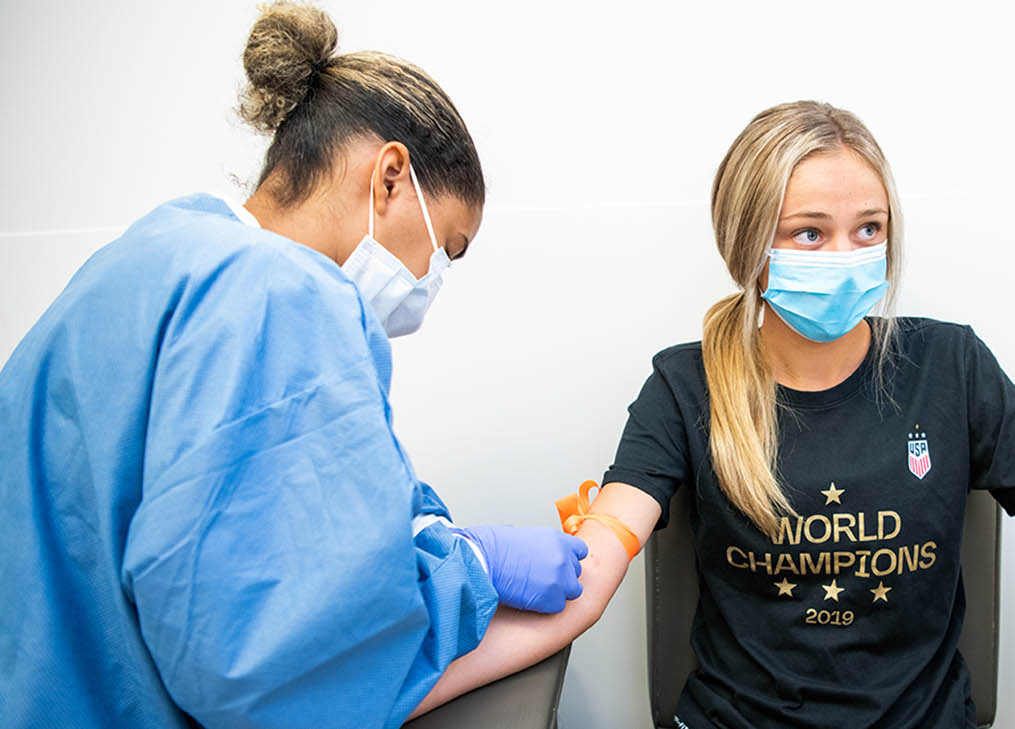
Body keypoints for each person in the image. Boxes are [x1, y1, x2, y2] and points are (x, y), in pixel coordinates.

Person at [425, 101, 1015, 728]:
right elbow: (591, 571)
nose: (846, 255)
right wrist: (381, 691)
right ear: (749, 248)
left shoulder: (951, 369)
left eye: (867, 229)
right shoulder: (687, 386)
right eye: (809, 233)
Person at [0, 4, 587, 728]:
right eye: (446, 249)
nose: (431, 279)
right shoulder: (284, 296)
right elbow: (265, 664)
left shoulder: (157, 252)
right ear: (391, 178)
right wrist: (465, 576)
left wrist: (436, 537)